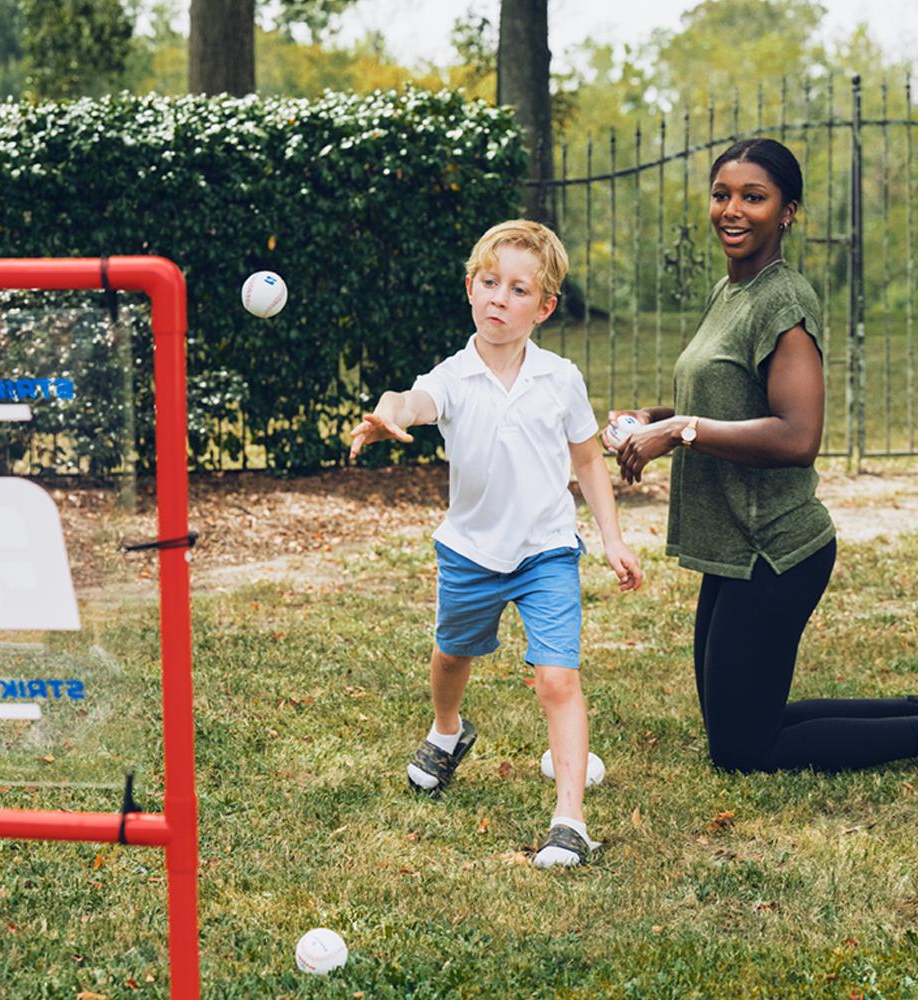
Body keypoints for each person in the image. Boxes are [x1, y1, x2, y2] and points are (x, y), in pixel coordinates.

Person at [604, 138, 918, 773]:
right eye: (723, 194)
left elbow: (798, 437)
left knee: (743, 751)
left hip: (776, 548)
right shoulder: (732, 291)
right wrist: (652, 419)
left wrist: (684, 430)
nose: (732, 209)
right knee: (742, 722)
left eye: (754, 197)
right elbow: (722, 399)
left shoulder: (784, 301)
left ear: (787, 212)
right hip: (735, 547)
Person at [349, 219, 643, 867]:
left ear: (544, 307)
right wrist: (389, 413)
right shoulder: (454, 376)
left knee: (557, 678)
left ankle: (570, 821)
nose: (498, 299)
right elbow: (413, 399)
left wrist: (613, 539)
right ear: (470, 288)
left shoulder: (560, 378)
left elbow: (590, 462)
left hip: (546, 553)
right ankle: (447, 732)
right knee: (452, 654)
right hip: (470, 553)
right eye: (489, 283)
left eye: (517, 290)